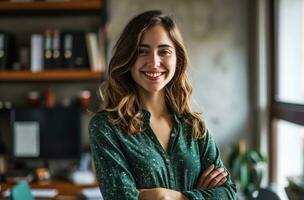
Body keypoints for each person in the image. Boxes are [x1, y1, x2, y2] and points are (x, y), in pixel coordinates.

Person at [89, 10, 237, 200]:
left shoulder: (193, 126)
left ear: (178, 59)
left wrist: (170, 196)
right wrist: (200, 194)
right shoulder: (106, 127)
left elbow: (228, 194)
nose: (154, 62)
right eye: (142, 51)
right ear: (128, 57)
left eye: (164, 51)